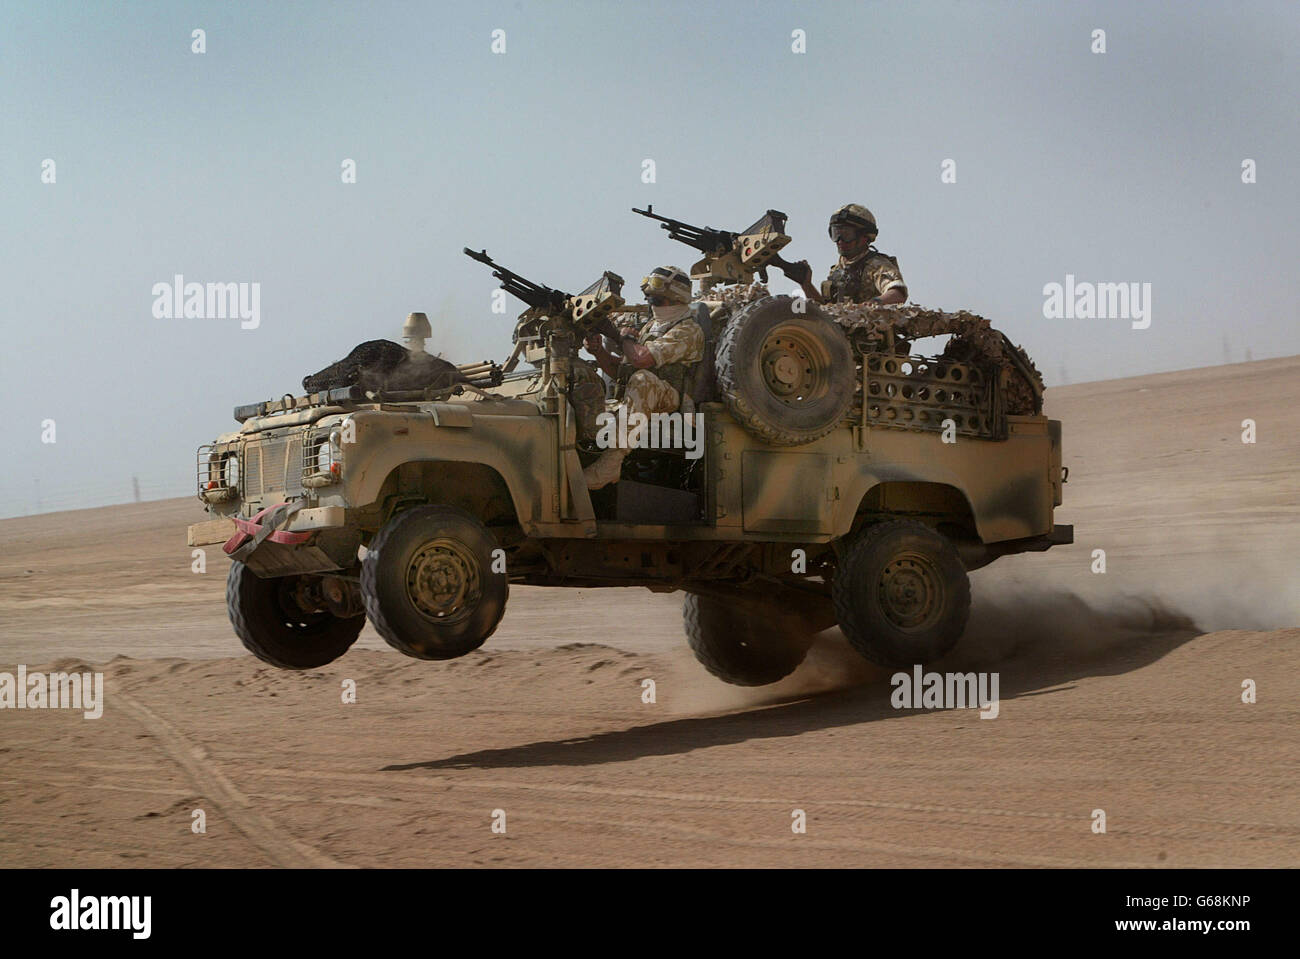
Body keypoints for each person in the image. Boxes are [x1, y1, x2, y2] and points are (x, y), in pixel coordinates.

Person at [581, 266, 704, 489]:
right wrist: (598, 351)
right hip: (645, 396)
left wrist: (623, 338)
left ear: (675, 296)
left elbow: (641, 360)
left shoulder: (688, 329)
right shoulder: (651, 326)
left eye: (656, 299)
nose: (650, 302)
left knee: (642, 379)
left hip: (672, 400)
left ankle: (611, 462)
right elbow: (621, 371)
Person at [785, 204, 908, 305]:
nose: (840, 240)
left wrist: (872, 304)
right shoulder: (838, 269)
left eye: (847, 235)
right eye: (836, 234)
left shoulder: (877, 265)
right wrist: (806, 284)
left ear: (864, 237)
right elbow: (825, 312)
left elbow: (897, 293)